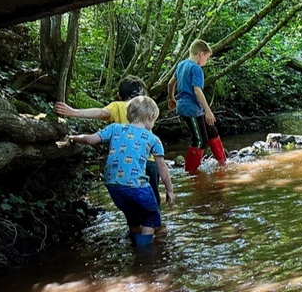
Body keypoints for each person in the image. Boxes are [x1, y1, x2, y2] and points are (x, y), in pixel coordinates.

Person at [67, 96, 175, 247]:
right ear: (151, 116)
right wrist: (169, 190)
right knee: (150, 218)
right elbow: (161, 167)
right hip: (138, 186)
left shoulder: (115, 128)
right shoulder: (153, 139)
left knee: (132, 217)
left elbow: (90, 140)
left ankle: (135, 244)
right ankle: (145, 258)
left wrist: (72, 137)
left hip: (113, 186)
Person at [54, 75, 165, 205]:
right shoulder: (147, 108)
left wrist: (73, 112)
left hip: (126, 166)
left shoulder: (118, 106)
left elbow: (101, 113)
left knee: (131, 204)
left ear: (119, 95)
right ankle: (155, 224)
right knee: (153, 204)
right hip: (149, 162)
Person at [168, 39, 226, 174]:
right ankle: (191, 173)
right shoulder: (196, 68)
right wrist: (208, 111)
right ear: (201, 54)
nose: (206, 61)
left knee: (212, 131)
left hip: (187, 106)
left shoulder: (181, 65)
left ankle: (223, 163)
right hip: (190, 109)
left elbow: (171, 83)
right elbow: (197, 90)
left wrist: (171, 97)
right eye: (207, 57)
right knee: (200, 140)